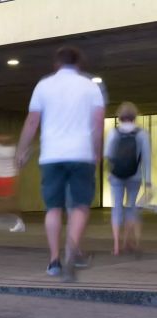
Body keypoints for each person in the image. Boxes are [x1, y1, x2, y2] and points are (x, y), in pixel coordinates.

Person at [16, 46, 105, 282]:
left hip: (51, 155)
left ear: (56, 64)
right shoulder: (91, 87)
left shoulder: (43, 86)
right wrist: (97, 152)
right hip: (81, 154)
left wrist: (21, 150)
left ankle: (54, 261)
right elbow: (97, 123)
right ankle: (71, 253)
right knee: (80, 206)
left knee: (53, 208)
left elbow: (32, 121)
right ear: (79, 64)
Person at [104, 102, 151, 256]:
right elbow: (146, 159)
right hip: (135, 176)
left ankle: (117, 246)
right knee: (131, 207)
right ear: (135, 116)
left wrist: (109, 172)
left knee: (116, 208)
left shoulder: (113, 132)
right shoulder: (142, 134)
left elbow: (108, 155)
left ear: (120, 116)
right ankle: (127, 242)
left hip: (116, 175)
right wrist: (148, 181)